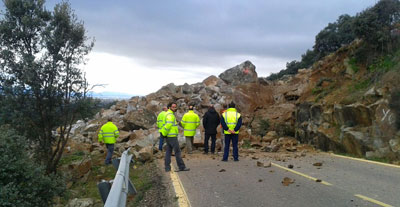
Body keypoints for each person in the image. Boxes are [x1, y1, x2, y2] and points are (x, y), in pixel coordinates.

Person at [161, 102, 190, 172]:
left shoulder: (168, 114)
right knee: (177, 152)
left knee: (168, 152)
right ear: (169, 107)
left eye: (175, 107)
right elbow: (168, 125)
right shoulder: (170, 115)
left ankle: (167, 168)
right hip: (172, 136)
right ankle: (181, 167)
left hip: (169, 136)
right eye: (173, 107)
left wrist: (164, 134)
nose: (174, 108)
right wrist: (163, 133)